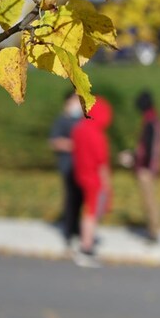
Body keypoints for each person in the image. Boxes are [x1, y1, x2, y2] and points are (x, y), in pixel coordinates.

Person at [71, 97, 113, 268]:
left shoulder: (79, 129)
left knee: (87, 211)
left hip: (81, 175)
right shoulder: (96, 134)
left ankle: (85, 243)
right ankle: (86, 248)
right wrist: (108, 186)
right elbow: (102, 163)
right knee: (92, 213)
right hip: (94, 179)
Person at [49, 91, 83, 247]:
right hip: (68, 166)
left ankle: (78, 229)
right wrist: (72, 145)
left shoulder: (83, 120)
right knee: (70, 200)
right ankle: (69, 232)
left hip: (82, 167)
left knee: (80, 200)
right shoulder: (62, 120)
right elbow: (54, 141)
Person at [134, 91, 160, 243]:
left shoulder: (150, 122)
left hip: (147, 168)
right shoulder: (153, 119)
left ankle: (154, 232)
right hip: (148, 166)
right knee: (150, 200)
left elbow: (150, 148)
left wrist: (145, 166)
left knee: (150, 201)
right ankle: (153, 230)